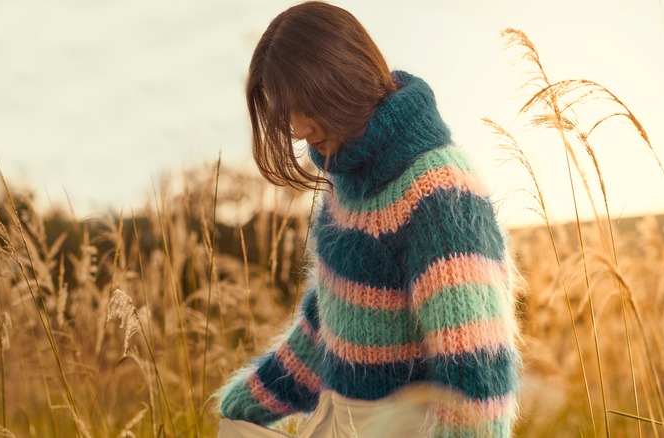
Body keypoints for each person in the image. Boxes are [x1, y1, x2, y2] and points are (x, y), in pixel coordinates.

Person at [214, 2, 521, 437]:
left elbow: (477, 373)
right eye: (286, 116)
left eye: (305, 106)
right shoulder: (346, 185)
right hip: (337, 422)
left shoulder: (438, 189)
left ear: (342, 79)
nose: (298, 129)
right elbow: (329, 328)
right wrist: (245, 405)